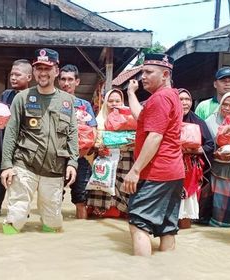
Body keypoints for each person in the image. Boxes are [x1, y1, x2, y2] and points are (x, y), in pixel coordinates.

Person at [0, 48, 78, 234]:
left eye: (47, 68)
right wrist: (6, 165)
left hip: (54, 168)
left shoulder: (67, 101)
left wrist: (73, 162)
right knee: (16, 216)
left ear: (56, 71)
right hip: (25, 165)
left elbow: (72, 133)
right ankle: (8, 254)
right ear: (34, 71)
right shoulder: (22, 98)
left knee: (53, 222)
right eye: (38, 68)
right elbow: (11, 132)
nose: (42, 72)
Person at [124, 54, 184, 256]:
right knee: (167, 228)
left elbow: (155, 136)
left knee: (138, 224)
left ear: (165, 74)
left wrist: (135, 169)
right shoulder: (172, 95)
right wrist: (131, 93)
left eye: (149, 72)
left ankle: (141, 272)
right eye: (143, 72)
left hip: (156, 172)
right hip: (173, 172)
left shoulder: (159, 98)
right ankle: (163, 270)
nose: (143, 76)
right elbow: (141, 117)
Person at [0, 59, 33, 217]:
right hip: (0, 157)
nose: (13, 77)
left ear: (29, 77)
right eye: (12, 74)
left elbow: (13, 115)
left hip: (21, 160)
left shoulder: (32, 98)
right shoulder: (6, 94)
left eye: (18, 74)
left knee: (19, 206)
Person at [58, 64, 97, 219]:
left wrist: (85, 153)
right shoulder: (52, 103)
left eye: (70, 79)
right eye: (63, 79)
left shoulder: (84, 105)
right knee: (53, 197)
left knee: (81, 198)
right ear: (58, 81)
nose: (66, 83)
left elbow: (93, 131)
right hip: (57, 157)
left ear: (77, 81)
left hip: (80, 157)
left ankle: (82, 224)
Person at [87, 88, 133, 218]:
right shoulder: (99, 120)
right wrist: (98, 148)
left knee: (124, 194)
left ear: (122, 102)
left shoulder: (130, 119)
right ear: (106, 103)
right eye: (110, 101)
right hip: (104, 161)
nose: (114, 104)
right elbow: (92, 144)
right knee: (102, 192)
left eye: (117, 101)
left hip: (125, 162)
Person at [205, 92, 230, 227]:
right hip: (216, 169)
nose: (227, 108)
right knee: (214, 204)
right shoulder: (210, 121)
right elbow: (205, 144)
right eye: (224, 104)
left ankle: (228, 229)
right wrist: (216, 154)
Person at [177, 88, 215, 228]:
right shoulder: (168, 120)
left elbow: (210, 144)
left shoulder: (198, 122)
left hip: (191, 172)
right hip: (171, 167)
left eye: (187, 99)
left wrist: (199, 150)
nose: (185, 103)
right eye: (181, 99)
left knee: (187, 205)